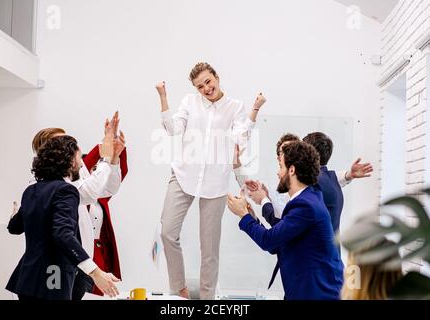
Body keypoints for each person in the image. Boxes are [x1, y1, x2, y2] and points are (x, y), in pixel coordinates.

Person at [155, 62, 266, 299]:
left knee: (209, 249)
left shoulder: (235, 107)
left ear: (216, 76)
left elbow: (240, 137)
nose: (206, 88)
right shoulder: (189, 102)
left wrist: (255, 109)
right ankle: (179, 289)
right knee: (167, 233)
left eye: (208, 81)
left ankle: (207, 299)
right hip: (184, 175)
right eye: (200, 86)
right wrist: (163, 97)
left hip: (215, 183)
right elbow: (173, 129)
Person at [6, 136, 120, 300]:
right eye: (80, 158)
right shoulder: (65, 190)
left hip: (26, 280)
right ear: (70, 161)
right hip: (53, 279)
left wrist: (14, 214)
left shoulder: (31, 190)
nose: (82, 164)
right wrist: (95, 272)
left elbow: (14, 227)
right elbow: (63, 234)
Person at [227, 141, 344, 300]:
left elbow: (269, 241)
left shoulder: (306, 205)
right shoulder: (308, 198)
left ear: (292, 170)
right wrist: (252, 216)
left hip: (317, 293)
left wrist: (243, 215)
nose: (278, 173)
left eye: (280, 166)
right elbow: (277, 241)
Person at [29, 112, 126, 299]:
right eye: (64, 144)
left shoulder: (74, 174)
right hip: (56, 267)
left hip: (80, 263)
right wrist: (105, 158)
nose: (71, 148)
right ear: (51, 153)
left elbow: (105, 190)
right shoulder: (49, 184)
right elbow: (88, 192)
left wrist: (114, 159)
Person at [245, 133, 373, 231]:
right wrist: (348, 175)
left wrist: (263, 200)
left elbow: (281, 227)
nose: (285, 156)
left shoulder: (308, 187)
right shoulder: (328, 179)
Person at [80, 134, 128, 295]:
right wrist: (105, 143)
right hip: (80, 251)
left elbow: (116, 180)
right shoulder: (76, 192)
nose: (97, 173)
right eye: (93, 169)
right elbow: (84, 167)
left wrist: (116, 154)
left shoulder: (102, 197)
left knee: (99, 293)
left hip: (98, 251)